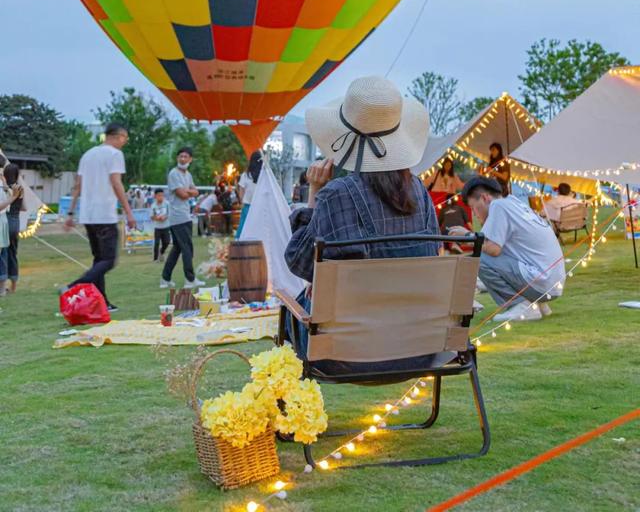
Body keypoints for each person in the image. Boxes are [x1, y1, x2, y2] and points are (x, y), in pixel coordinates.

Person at [285, 75, 452, 374]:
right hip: (419, 347)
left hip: (344, 353)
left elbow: (299, 261)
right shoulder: (420, 193)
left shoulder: (335, 195)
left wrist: (314, 192)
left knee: (293, 306)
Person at [455, 176, 566, 322]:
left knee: (479, 259)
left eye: (474, 208)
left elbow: (493, 249)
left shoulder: (498, 206)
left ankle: (521, 306)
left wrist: (467, 235)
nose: (474, 214)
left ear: (484, 198)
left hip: (542, 283)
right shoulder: (514, 203)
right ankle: (538, 304)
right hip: (553, 283)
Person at [63, 123, 136, 312]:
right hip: (105, 214)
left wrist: (70, 213)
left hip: (88, 215)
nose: (125, 142)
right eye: (124, 138)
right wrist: (129, 212)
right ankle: (73, 286)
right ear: (116, 136)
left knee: (99, 259)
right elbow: (116, 183)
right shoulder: (114, 155)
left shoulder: (88, 155)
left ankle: (102, 301)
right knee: (109, 260)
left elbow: (77, 185)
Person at [160, 147, 204, 289]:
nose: (183, 159)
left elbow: (196, 191)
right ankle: (189, 280)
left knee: (178, 248)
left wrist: (189, 191)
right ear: (177, 158)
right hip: (177, 216)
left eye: (185, 156)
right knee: (187, 248)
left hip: (186, 215)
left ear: (190, 159)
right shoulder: (174, 173)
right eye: (180, 156)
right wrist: (190, 192)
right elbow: (182, 194)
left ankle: (165, 278)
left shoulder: (188, 174)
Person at [2, 163, 24, 292]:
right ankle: (14, 287)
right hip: (16, 223)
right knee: (13, 254)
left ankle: (3, 286)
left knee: (3, 254)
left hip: (5, 222)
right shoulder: (20, 188)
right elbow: (24, 207)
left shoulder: (5, 189)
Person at [236, 151, 263, 237]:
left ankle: (239, 244)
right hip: (259, 207)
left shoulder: (245, 175)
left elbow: (241, 192)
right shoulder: (263, 176)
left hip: (247, 206)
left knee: (243, 227)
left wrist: (241, 201)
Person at [150, 189, 171, 262]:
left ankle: (161, 252)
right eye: (159, 195)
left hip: (166, 226)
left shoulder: (167, 203)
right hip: (157, 227)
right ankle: (155, 259)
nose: (161, 197)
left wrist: (164, 217)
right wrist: (157, 218)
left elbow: (169, 213)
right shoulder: (153, 205)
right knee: (157, 243)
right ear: (155, 196)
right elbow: (152, 217)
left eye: (162, 195)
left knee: (167, 242)